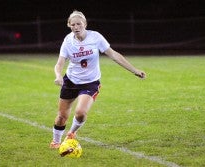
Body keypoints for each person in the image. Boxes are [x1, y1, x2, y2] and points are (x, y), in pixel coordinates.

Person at [50, 10, 146, 148]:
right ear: (69, 25)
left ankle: (71, 133)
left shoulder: (95, 37)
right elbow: (60, 63)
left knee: (81, 113)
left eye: (79, 24)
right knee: (61, 117)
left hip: (90, 82)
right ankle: (56, 141)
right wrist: (58, 76)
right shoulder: (68, 41)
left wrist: (134, 70)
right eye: (73, 24)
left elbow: (113, 55)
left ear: (85, 24)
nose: (76, 27)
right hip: (71, 81)